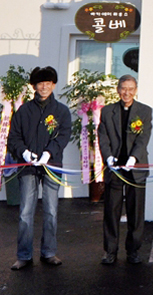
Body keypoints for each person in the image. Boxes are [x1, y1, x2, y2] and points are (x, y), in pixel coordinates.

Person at [8, 66, 71, 270]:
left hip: (51, 166)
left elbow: (63, 135)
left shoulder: (61, 111)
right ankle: (24, 255)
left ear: (53, 85)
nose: (44, 87)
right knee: (26, 211)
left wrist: (48, 153)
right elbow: (13, 137)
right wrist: (24, 152)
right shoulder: (23, 110)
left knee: (51, 211)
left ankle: (49, 252)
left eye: (48, 83)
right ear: (34, 86)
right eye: (40, 83)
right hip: (28, 168)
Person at [98, 75, 152, 264]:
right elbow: (103, 138)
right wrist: (109, 158)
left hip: (135, 168)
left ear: (135, 90)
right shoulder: (107, 111)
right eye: (123, 88)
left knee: (135, 212)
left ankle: (133, 251)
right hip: (114, 168)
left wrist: (133, 157)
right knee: (111, 211)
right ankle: (110, 251)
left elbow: (143, 138)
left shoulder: (144, 111)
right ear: (117, 89)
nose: (126, 93)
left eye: (130, 89)